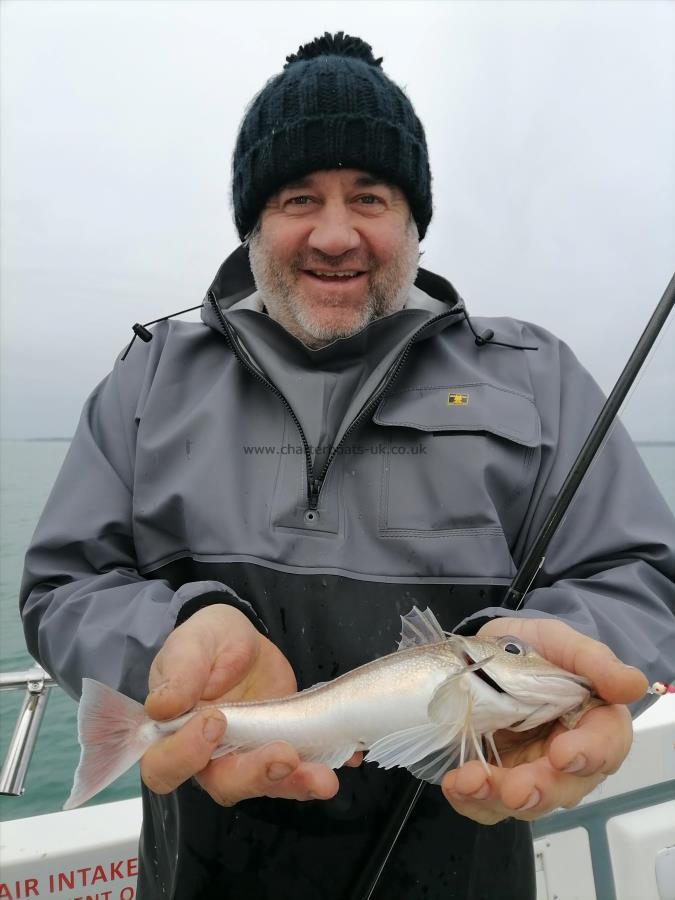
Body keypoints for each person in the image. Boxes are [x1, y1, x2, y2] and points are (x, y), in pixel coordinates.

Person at [20, 31, 675, 900]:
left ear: (412, 221)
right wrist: (167, 649)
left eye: (369, 196)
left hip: (468, 843)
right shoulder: (148, 378)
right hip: (201, 865)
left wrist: (572, 657)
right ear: (255, 221)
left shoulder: (535, 372)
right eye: (298, 198)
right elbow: (67, 583)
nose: (335, 234)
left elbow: (636, 573)